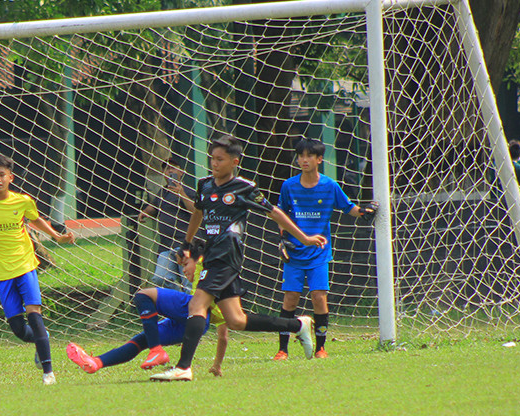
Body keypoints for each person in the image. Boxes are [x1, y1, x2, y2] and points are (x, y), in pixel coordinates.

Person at [150, 134, 328, 382]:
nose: (214, 163)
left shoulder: (244, 188)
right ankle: (297, 325)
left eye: (220, 159)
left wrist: (304, 238)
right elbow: (198, 213)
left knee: (196, 305)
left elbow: (275, 213)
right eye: (212, 158)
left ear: (235, 162)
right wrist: (187, 244)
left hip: (227, 257)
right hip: (211, 255)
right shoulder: (205, 185)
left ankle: (183, 367)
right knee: (236, 320)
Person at [0, 152, 76, 385]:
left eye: (2, 175)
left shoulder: (23, 201)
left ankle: (48, 373)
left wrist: (56, 236)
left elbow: (35, 219)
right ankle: (42, 338)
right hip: (1, 272)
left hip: (26, 265)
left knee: (34, 314)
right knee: (18, 329)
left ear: (10, 177)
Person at [273, 138, 378, 360]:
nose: (304, 160)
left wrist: (364, 212)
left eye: (309, 156)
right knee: (290, 298)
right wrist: (282, 239)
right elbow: (281, 216)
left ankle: (321, 348)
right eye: (300, 156)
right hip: (294, 253)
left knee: (319, 297)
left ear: (319, 159)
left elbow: (349, 208)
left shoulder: (330, 186)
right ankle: (283, 349)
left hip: (319, 253)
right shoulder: (288, 186)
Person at [66, 256, 230, 377]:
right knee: (144, 338)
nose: (184, 270)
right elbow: (223, 337)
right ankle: (96, 363)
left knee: (143, 295)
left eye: (186, 264)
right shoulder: (221, 304)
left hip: (190, 309)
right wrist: (217, 365)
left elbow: (201, 249)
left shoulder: (204, 264)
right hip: (198, 324)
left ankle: (156, 351)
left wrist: (187, 245)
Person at [137, 158, 195, 292]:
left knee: (189, 283)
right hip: (166, 246)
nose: (169, 171)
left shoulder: (189, 191)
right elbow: (154, 206)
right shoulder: (163, 192)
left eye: (173, 168)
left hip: (185, 245)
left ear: (181, 172)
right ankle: (179, 298)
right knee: (160, 278)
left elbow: (195, 212)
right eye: (166, 168)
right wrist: (144, 212)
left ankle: (190, 304)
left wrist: (181, 194)